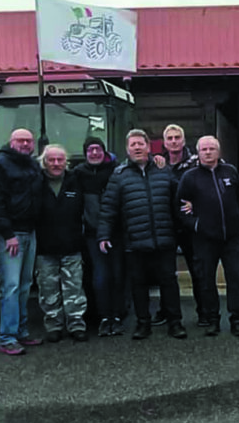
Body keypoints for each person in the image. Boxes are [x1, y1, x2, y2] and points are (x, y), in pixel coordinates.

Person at [98, 129, 187, 340]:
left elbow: (179, 198)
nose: (137, 147)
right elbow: (108, 208)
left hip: (163, 238)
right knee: (138, 284)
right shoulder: (119, 176)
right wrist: (103, 235)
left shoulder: (164, 171)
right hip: (135, 242)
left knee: (169, 282)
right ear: (127, 149)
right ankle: (142, 323)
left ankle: (175, 323)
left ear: (149, 147)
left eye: (140, 143)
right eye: (133, 144)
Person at [176, 135, 239, 337]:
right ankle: (212, 320)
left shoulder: (230, 172)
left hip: (231, 239)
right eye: (204, 149)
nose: (208, 152)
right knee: (206, 280)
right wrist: (196, 224)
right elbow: (181, 208)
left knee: (236, 278)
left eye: (212, 149)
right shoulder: (189, 177)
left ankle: (237, 320)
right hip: (204, 240)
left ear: (219, 151)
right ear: (198, 153)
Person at [0, 128, 44, 355]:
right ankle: (7, 337)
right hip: (11, 235)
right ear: (11, 142)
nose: (25, 144)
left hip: (30, 231)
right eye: (21, 140)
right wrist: (7, 233)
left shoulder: (32, 165)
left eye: (29, 141)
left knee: (24, 285)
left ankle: (21, 331)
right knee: (10, 287)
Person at [35, 144, 88, 343]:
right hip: (45, 247)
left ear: (66, 162)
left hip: (72, 245)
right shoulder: (36, 182)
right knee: (48, 289)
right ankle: (54, 325)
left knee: (74, 288)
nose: (56, 164)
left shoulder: (76, 180)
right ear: (44, 162)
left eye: (60, 160)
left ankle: (76, 324)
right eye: (51, 160)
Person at [153, 123, 206, 326]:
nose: (174, 141)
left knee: (197, 270)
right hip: (165, 223)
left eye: (177, 138)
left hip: (189, 225)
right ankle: (166, 310)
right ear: (164, 143)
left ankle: (204, 312)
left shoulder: (195, 162)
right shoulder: (157, 164)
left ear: (183, 140)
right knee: (165, 272)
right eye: (170, 138)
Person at [74, 137, 126, 337]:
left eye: (98, 149)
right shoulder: (79, 174)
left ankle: (118, 315)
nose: (94, 153)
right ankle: (104, 316)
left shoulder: (117, 171)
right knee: (100, 276)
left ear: (104, 151)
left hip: (117, 232)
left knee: (119, 274)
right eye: (90, 150)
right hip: (92, 233)